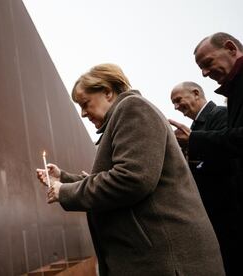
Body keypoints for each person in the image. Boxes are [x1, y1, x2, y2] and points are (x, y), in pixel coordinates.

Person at [36, 64, 224, 276]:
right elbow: (117, 176)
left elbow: (131, 180)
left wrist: (63, 191)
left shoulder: (133, 108)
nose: (83, 113)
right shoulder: (122, 117)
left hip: (166, 262)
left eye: (85, 103)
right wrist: (64, 178)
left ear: (107, 92)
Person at [170, 81, 241, 275]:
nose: (176, 107)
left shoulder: (220, 114)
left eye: (178, 100)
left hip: (229, 210)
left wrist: (193, 144)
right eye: (173, 103)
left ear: (195, 93)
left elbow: (228, 156)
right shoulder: (193, 127)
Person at [172, 32, 243, 204]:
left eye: (208, 63)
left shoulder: (219, 113)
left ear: (231, 49)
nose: (204, 73)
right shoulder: (234, 92)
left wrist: (193, 140)